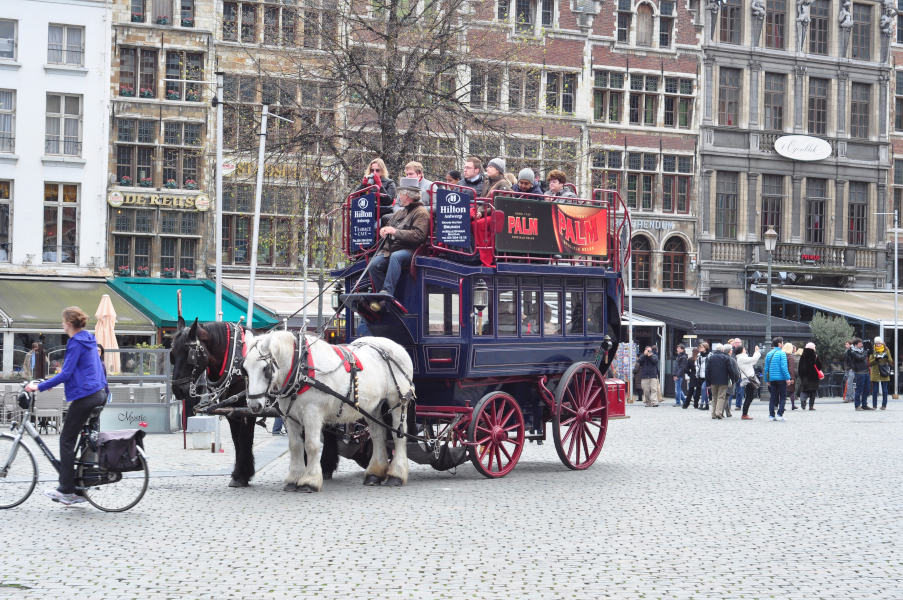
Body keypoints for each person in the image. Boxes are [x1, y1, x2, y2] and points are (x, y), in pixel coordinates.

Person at [25, 307, 108, 506]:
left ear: (68, 324)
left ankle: (67, 490)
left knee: (66, 439)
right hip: (98, 393)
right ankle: (80, 489)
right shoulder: (88, 338)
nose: (62, 325)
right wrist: (51, 382)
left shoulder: (76, 342)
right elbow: (82, 370)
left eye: (63, 322)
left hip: (86, 396)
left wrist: (39, 387)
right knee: (80, 440)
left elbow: (67, 373)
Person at [366, 178, 430, 313]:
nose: (398, 196)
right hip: (391, 248)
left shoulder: (422, 213)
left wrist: (395, 232)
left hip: (409, 250)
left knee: (396, 257)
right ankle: (381, 295)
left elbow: (419, 236)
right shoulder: (401, 211)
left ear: (407, 195)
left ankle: (387, 292)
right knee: (373, 265)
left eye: (400, 194)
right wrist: (385, 229)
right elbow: (390, 225)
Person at [705, 343, 739, 419]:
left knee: (714, 397)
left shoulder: (711, 358)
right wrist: (732, 380)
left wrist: (708, 382)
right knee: (721, 397)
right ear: (722, 350)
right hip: (723, 381)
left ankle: (713, 413)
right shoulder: (726, 358)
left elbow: (707, 370)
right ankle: (718, 412)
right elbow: (730, 370)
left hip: (713, 380)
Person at [764, 336, 791, 421]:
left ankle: (771, 415)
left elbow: (766, 368)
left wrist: (767, 379)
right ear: (779, 344)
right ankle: (779, 414)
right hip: (781, 378)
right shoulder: (782, 353)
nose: (783, 344)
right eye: (782, 343)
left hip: (772, 378)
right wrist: (787, 378)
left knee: (773, 397)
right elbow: (784, 367)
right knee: (782, 397)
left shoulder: (769, 354)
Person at [736, 344, 761, 420]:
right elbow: (753, 359)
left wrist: (756, 354)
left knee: (749, 397)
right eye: (744, 349)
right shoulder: (741, 358)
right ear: (741, 351)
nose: (745, 350)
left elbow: (753, 361)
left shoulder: (743, 358)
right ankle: (744, 414)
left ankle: (745, 413)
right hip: (749, 380)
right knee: (749, 397)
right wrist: (757, 352)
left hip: (749, 379)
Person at [869, 336, 893, 410]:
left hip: (884, 372)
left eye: (879, 343)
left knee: (885, 390)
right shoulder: (872, 350)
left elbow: (890, 361)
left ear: (882, 343)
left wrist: (887, 358)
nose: (878, 345)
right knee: (875, 390)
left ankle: (884, 405)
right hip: (875, 372)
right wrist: (876, 359)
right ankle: (874, 405)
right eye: (877, 343)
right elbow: (870, 362)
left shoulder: (886, 350)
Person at [849, 337, 873, 411]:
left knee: (867, 389)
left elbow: (871, 352)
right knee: (859, 390)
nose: (862, 345)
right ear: (856, 345)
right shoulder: (853, 352)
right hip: (859, 372)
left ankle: (864, 404)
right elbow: (861, 358)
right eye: (860, 344)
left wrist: (870, 345)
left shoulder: (862, 350)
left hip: (866, 372)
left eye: (862, 343)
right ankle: (857, 405)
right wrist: (865, 350)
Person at [797, 342, 822, 411]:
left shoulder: (802, 356)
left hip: (804, 376)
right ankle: (811, 406)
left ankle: (803, 399)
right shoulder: (815, 356)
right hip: (813, 377)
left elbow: (800, 367)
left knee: (805, 389)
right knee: (813, 391)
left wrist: (801, 375)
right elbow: (819, 367)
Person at [784, 343, 799, 410]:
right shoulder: (790, 356)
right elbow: (791, 368)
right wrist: (792, 378)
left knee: (782, 391)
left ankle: (782, 406)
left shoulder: (782, 355)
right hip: (788, 376)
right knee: (791, 391)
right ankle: (793, 405)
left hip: (782, 376)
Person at [696, 342, 710, 410]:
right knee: (704, 390)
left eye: (702, 347)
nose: (700, 348)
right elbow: (697, 365)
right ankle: (707, 405)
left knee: (703, 388)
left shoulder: (709, 355)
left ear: (705, 348)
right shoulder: (699, 356)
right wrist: (697, 373)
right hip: (700, 375)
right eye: (700, 347)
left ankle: (701, 403)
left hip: (707, 375)